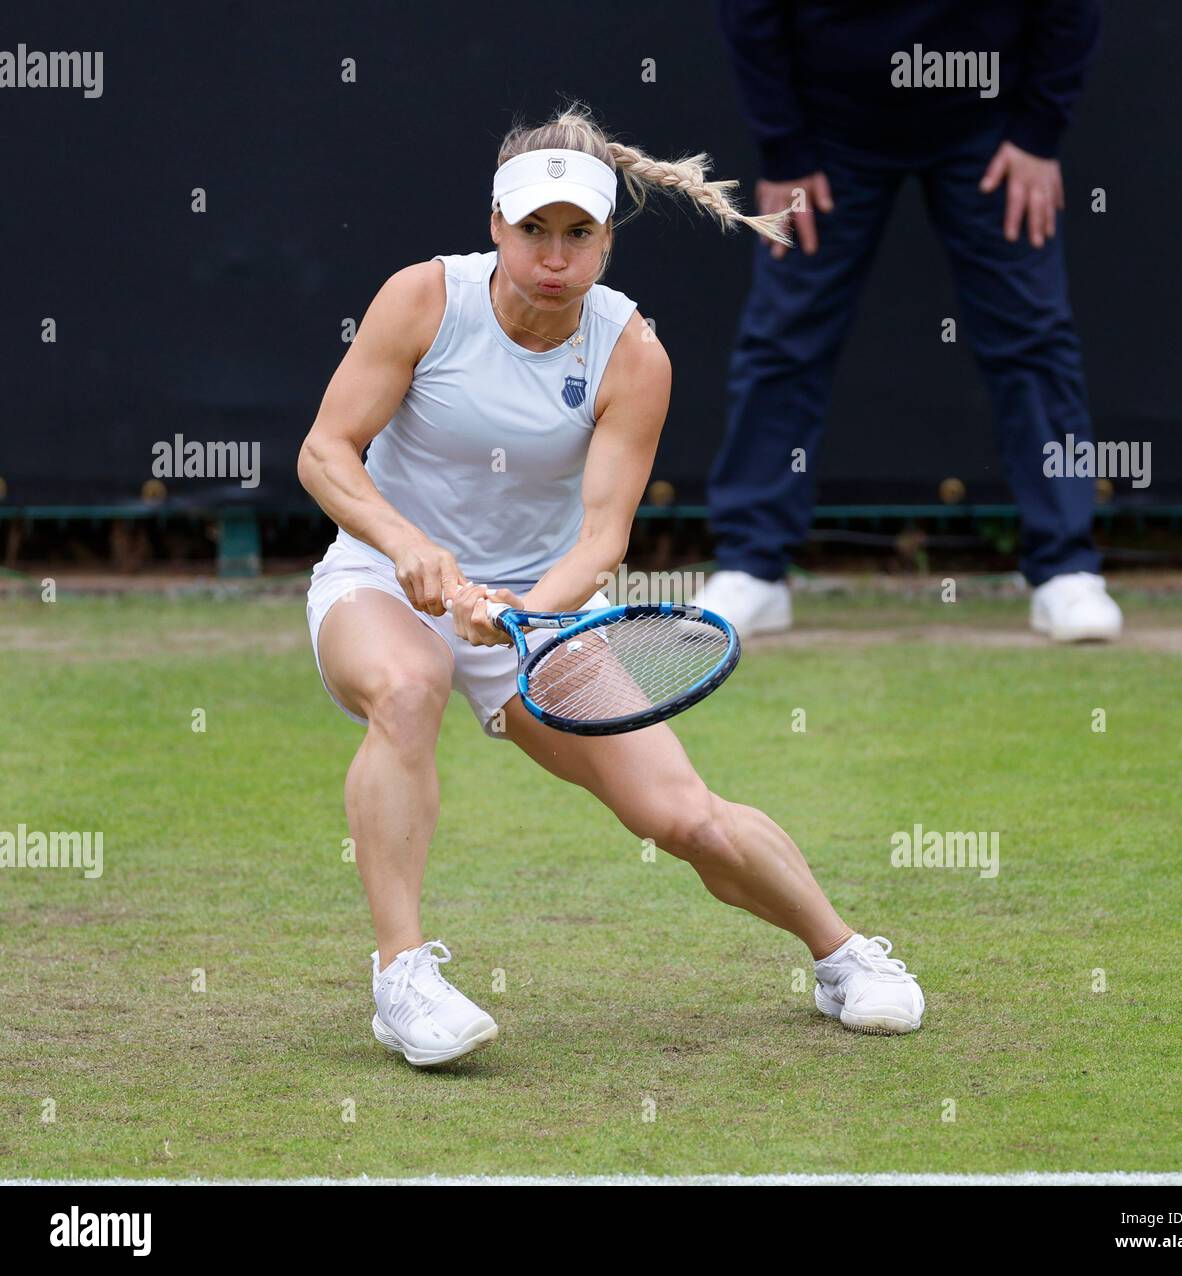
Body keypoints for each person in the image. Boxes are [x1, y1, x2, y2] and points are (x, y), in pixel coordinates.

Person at [296, 102, 925, 1068]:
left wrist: (523, 613)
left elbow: (601, 537)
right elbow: (327, 453)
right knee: (408, 686)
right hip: (381, 577)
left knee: (680, 816)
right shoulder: (423, 299)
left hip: (541, 606)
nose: (554, 254)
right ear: (496, 226)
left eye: (578, 233)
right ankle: (403, 980)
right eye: (533, 230)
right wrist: (409, 547)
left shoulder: (632, 354)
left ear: (606, 243)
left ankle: (844, 958)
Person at [697, 0, 1123, 644]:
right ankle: (751, 567)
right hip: (828, 130)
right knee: (784, 339)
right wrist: (784, 149)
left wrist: (1039, 134)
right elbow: (750, 10)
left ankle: (1066, 569)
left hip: (988, 124)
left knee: (1032, 339)